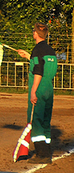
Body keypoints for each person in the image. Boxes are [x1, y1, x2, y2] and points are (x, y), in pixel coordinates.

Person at [16, 22, 57, 164]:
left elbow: (38, 71)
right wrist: (28, 56)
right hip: (48, 89)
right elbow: (44, 66)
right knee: (45, 120)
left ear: (35, 34)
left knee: (36, 121)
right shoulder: (50, 50)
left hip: (39, 88)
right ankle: (46, 150)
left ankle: (42, 155)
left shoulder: (37, 50)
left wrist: (33, 91)